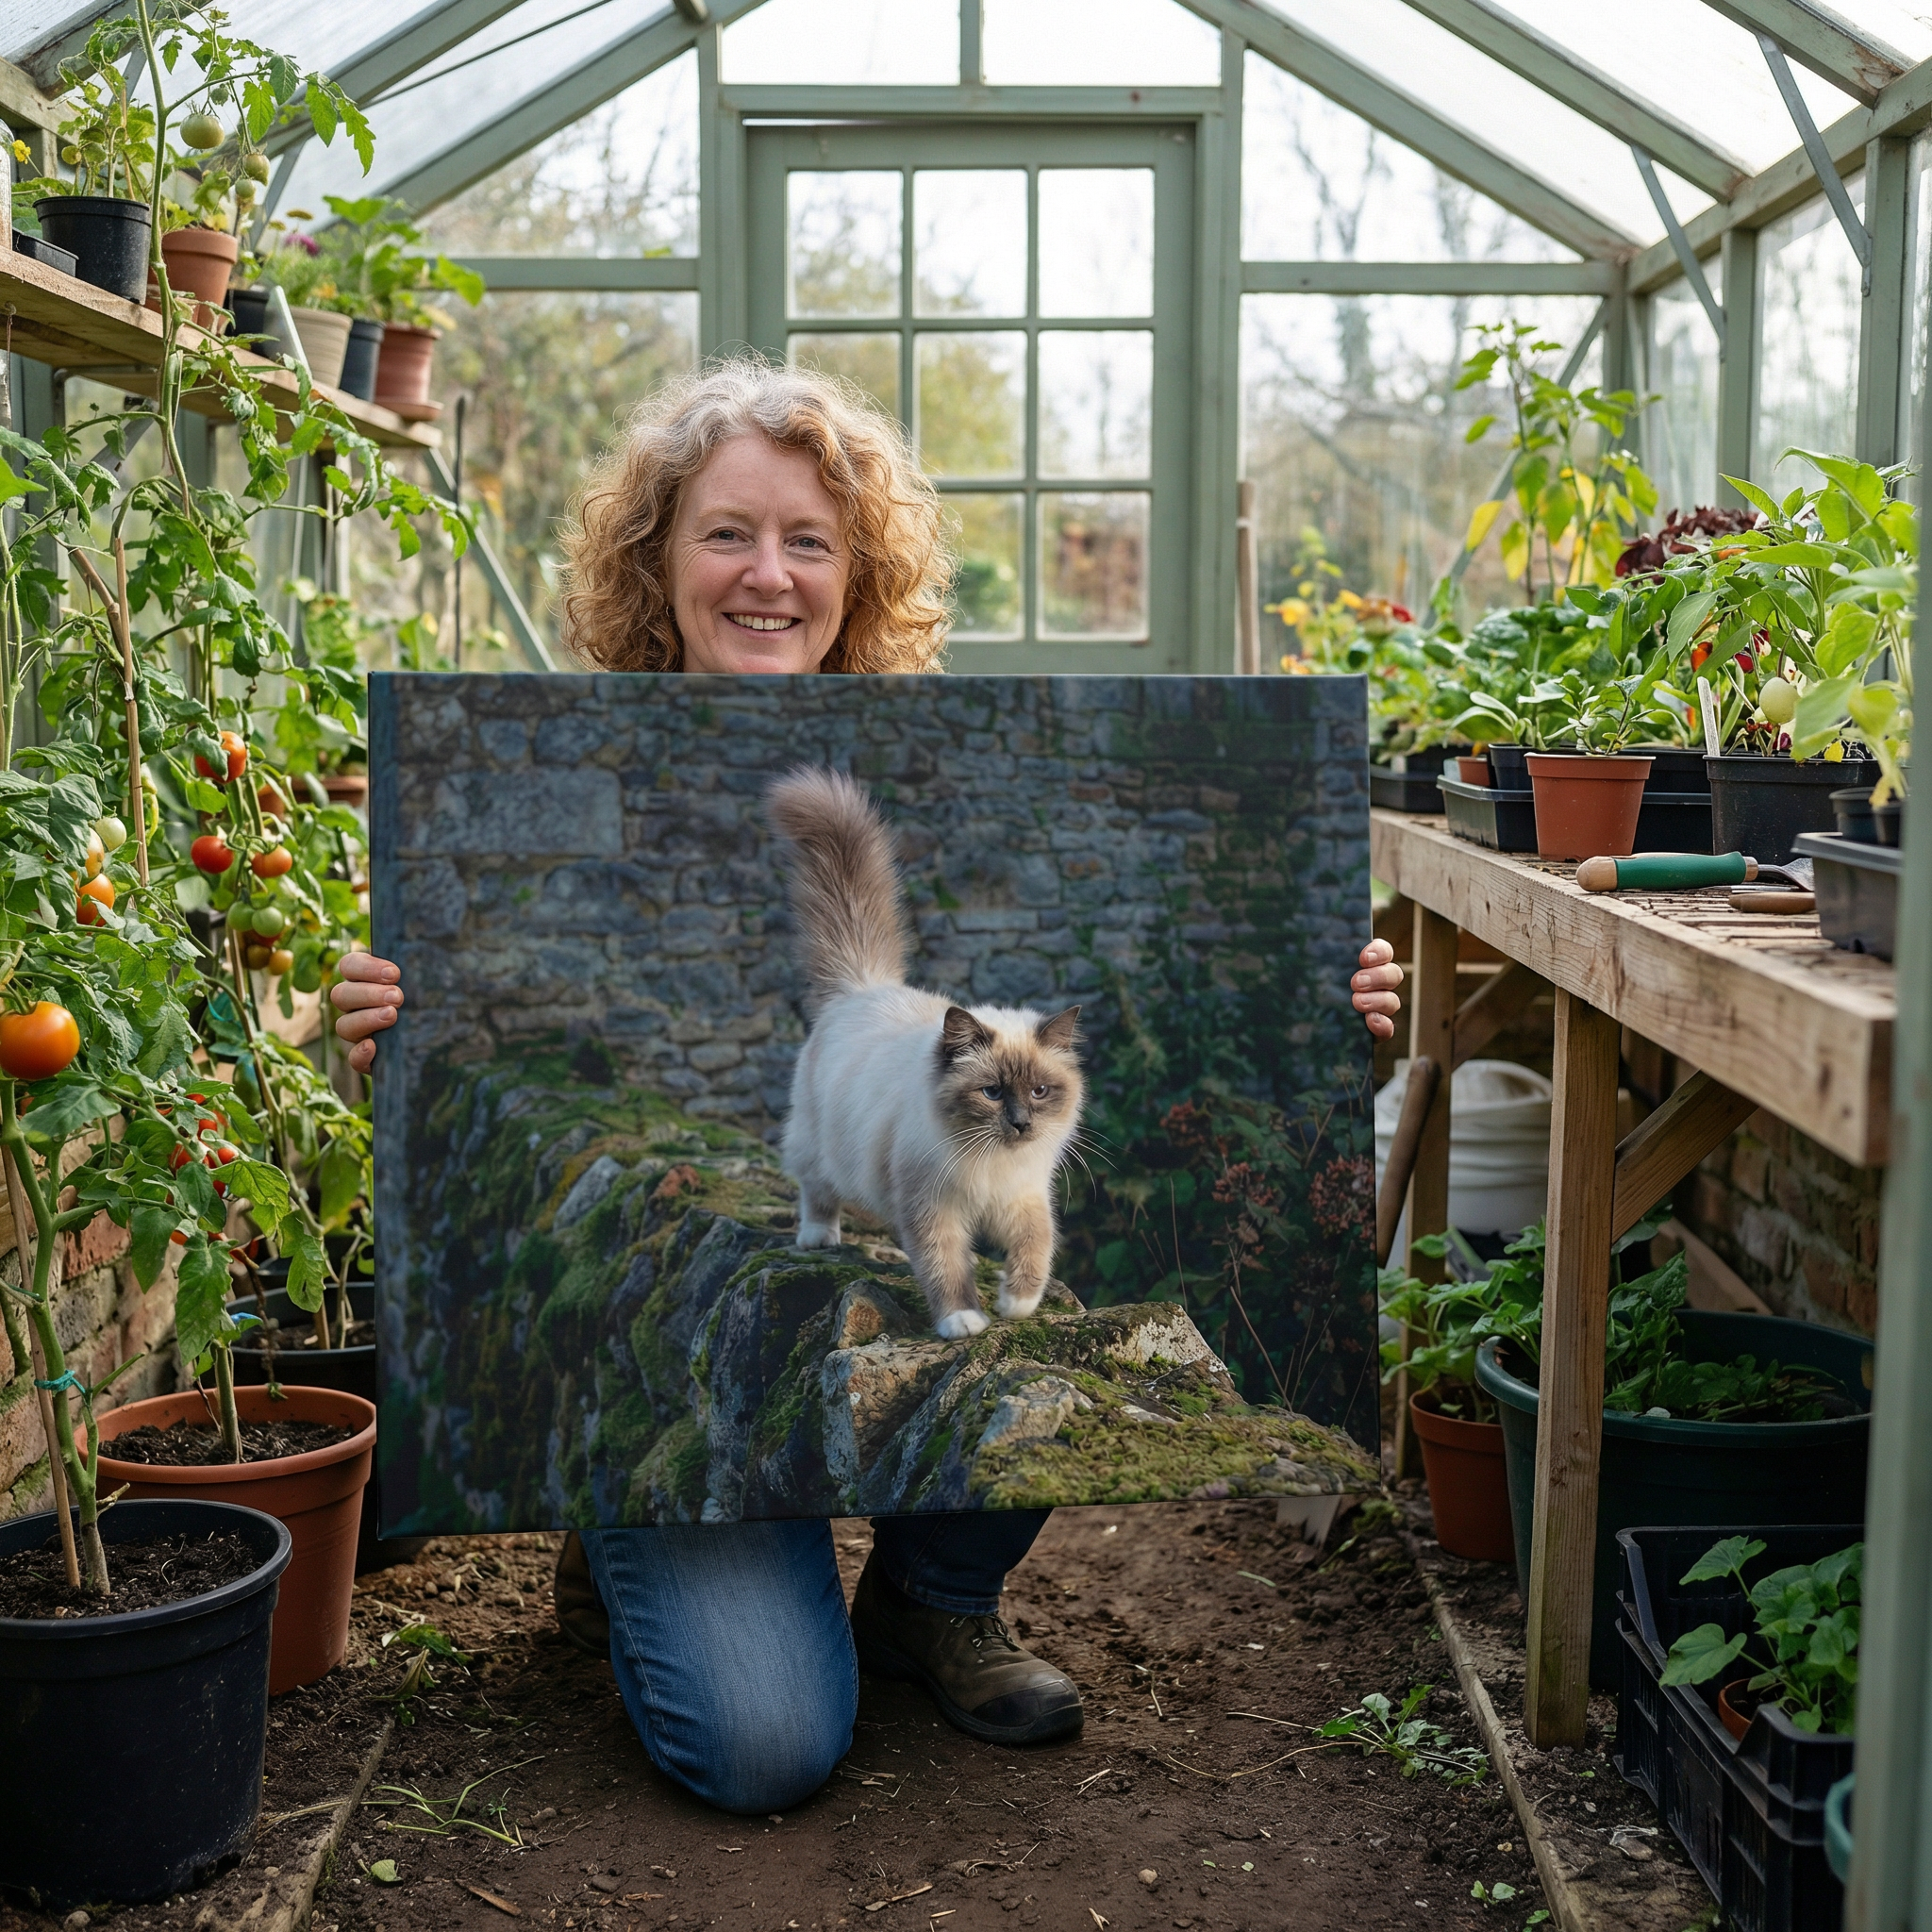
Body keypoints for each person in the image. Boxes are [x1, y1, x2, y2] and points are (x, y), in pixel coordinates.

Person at [332, 358, 1407, 1816]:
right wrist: (388, 1034)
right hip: (672, 1314)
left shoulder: (940, 767)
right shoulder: (552, 764)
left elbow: (1103, 1017)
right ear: (656, 560)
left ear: (859, 572)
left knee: (1036, 1290)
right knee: (765, 1745)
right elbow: (489, 1051)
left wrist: (1323, 1022)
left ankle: (933, 1591)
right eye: (725, 533)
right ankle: (631, 1538)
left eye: (810, 540)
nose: (766, 574)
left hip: (918, 1184)